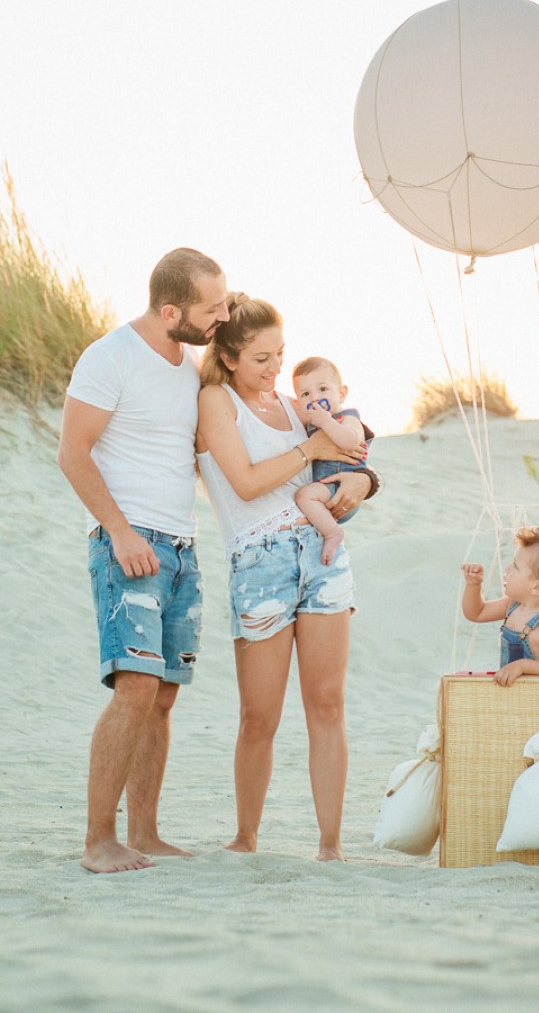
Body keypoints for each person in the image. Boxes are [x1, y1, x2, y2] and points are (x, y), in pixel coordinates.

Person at [58, 247, 231, 874]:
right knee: (132, 688)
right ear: (170, 310)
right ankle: (97, 840)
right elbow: (73, 452)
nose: (224, 316)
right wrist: (121, 532)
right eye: (213, 308)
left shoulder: (189, 366)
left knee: (161, 697)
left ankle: (146, 832)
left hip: (182, 548)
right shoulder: (110, 358)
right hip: (127, 546)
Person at [195, 294, 378, 861]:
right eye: (260, 358)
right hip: (260, 561)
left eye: (280, 354)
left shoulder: (292, 403)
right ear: (228, 358)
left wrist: (365, 482)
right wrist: (311, 449)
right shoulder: (215, 401)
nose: (276, 369)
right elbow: (247, 484)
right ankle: (245, 837)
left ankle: (330, 845)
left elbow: (350, 450)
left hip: (321, 558)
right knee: (260, 715)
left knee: (327, 704)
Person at [460, 523, 539, 686]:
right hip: (515, 695)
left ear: (537, 587)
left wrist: (522, 666)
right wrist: (473, 585)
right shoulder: (513, 605)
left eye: (515, 566)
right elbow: (476, 613)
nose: (507, 569)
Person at [291, 356, 372, 565]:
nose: (315, 398)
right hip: (327, 490)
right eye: (306, 394)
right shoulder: (311, 424)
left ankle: (333, 533)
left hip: (342, 489)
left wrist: (327, 422)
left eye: (323, 389)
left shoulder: (348, 418)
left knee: (304, 496)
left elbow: (350, 440)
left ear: (342, 393)